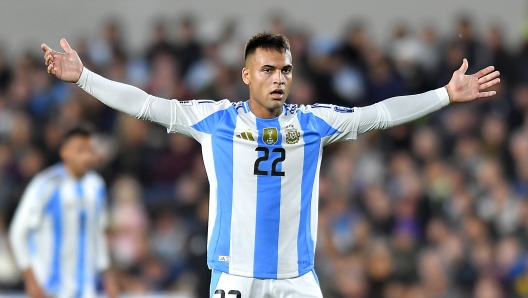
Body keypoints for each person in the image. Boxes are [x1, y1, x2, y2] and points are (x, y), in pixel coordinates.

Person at [41, 32, 499, 297]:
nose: (278, 79)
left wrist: (444, 95)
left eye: (285, 71)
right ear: (247, 75)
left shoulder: (314, 122)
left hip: (297, 279)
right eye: (267, 70)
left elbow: (377, 115)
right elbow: (145, 104)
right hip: (235, 275)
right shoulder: (214, 120)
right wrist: (83, 76)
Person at [8, 126, 118, 298]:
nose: (87, 156)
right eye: (80, 151)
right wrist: (30, 280)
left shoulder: (96, 185)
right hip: (50, 289)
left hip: (86, 290)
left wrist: (108, 279)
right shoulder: (46, 184)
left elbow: (98, 233)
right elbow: (17, 232)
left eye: (90, 151)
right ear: (64, 152)